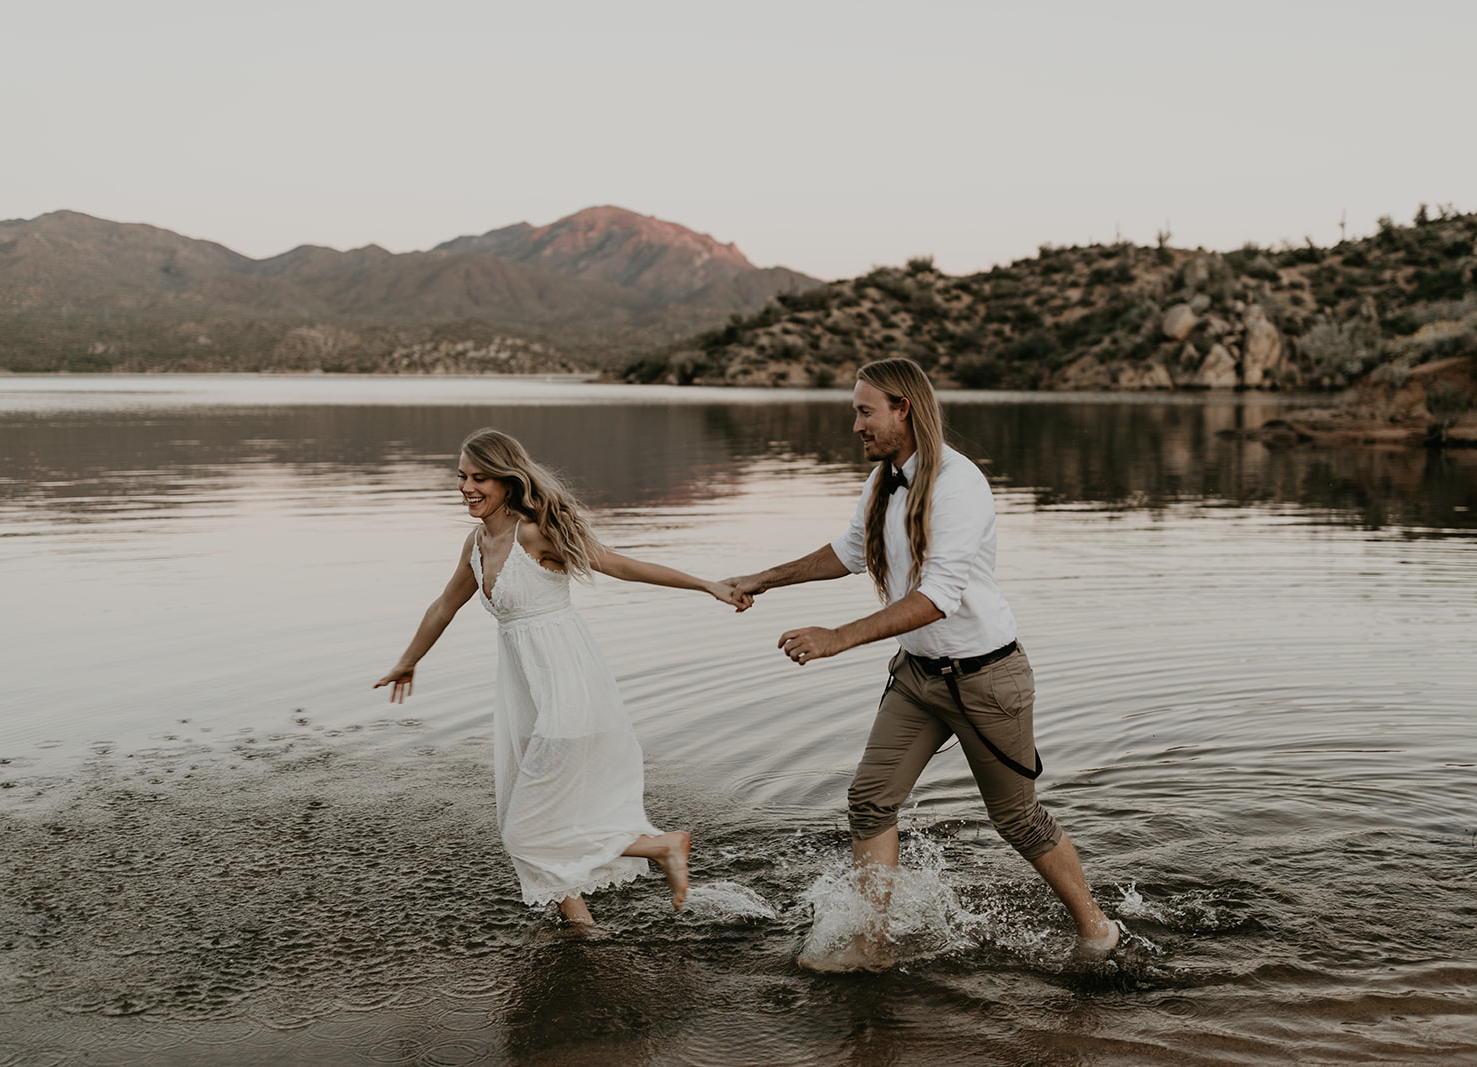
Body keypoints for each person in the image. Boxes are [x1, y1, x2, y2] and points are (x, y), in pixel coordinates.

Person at [725, 357, 1119, 972]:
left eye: (864, 411)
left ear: (903, 409)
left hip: (987, 677)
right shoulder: (884, 478)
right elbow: (849, 551)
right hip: (917, 678)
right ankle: (871, 945)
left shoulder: (958, 484)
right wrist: (764, 579)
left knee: (1016, 817)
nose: (855, 424)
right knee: (871, 800)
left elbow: (938, 597)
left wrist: (837, 637)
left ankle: (1097, 929)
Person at [375, 427, 751, 926]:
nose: (467, 487)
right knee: (534, 816)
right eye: (462, 476)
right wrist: (409, 659)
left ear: (508, 480)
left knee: (524, 830)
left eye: (480, 477)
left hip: (567, 685)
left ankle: (660, 846)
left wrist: (707, 585)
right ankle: (582, 929)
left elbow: (618, 564)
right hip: (523, 692)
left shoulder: (535, 532)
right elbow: (446, 604)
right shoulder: (477, 540)